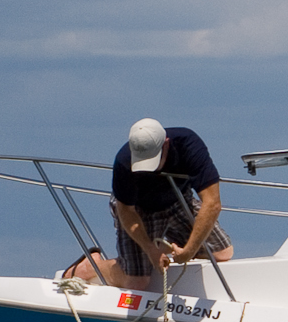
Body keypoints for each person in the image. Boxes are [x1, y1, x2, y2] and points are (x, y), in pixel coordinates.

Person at [66, 119, 232, 289]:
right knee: (137, 282)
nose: (148, 169)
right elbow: (126, 210)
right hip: (140, 210)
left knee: (222, 253)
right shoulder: (124, 161)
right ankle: (89, 268)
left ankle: (158, 249)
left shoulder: (189, 144)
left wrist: (189, 251)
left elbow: (212, 203)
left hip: (178, 200)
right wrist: (149, 249)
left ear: (166, 144)